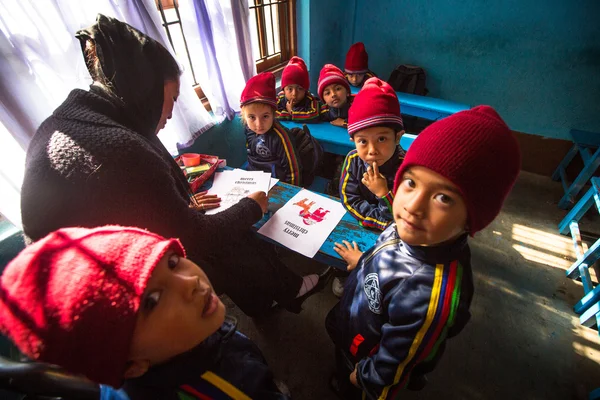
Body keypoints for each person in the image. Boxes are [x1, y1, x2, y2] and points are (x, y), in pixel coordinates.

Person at [19, 14, 325, 317]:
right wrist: (250, 207)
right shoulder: (120, 147)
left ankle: (263, 302)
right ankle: (285, 290)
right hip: (94, 307)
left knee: (227, 231)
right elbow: (197, 237)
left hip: (75, 281)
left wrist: (179, 211)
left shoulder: (79, 116)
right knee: (233, 237)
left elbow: (121, 210)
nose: (171, 112)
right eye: (173, 98)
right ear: (148, 91)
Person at [327, 105, 521, 399]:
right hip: (356, 326)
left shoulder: (431, 295)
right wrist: (364, 262)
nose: (412, 206)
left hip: (366, 360)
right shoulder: (414, 231)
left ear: (473, 217)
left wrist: (366, 378)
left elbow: (396, 362)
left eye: (443, 197)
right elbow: (387, 246)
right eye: (410, 182)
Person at [0, 225, 290, 399]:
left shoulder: (187, 337)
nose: (191, 283)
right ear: (130, 366)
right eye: (151, 300)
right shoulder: (228, 391)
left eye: (173, 262)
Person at [331, 78, 406, 297]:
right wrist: (375, 219)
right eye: (363, 141)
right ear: (353, 140)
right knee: (340, 241)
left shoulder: (406, 169)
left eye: (382, 138)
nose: (372, 150)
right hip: (360, 220)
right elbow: (348, 198)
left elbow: (402, 215)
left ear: (398, 137)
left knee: (387, 268)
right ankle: (342, 272)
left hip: (395, 232)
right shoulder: (353, 160)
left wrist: (383, 193)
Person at [243, 71, 323, 187]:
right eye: (251, 117)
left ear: (274, 114)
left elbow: (294, 171)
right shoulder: (249, 129)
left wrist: (290, 194)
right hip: (260, 180)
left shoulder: (281, 136)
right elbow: (251, 156)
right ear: (244, 116)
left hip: (280, 184)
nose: (258, 124)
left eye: (265, 116)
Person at [275, 56, 321, 123]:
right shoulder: (280, 98)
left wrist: (292, 112)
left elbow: (314, 115)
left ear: (305, 90)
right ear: (283, 90)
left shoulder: (310, 99)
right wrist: (288, 115)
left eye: (299, 89)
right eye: (290, 89)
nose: (294, 94)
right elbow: (271, 113)